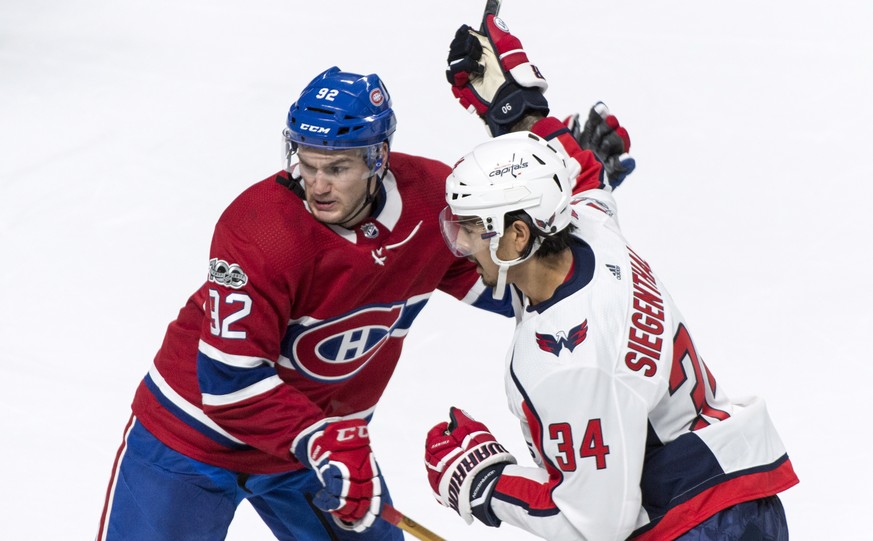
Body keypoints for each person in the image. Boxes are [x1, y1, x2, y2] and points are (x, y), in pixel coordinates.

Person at [95, 16, 635, 540]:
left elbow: (519, 279)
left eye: (337, 168)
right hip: (194, 438)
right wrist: (321, 441)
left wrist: (561, 199)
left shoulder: (430, 201)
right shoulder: (260, 231)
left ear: (378, 158)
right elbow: (228, 382)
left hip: (319, 449)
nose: (316, 184)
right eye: (306, 164)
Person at [422, 16, 800, 541]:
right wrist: (515, 108)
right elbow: (582, 173)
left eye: (470, 230)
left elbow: (594, 522)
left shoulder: (565, 363)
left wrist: (485, 483)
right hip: (740, 489)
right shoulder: (591, 230)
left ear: (516, 238)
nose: (460, 246)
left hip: (686, 525)